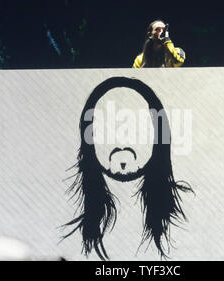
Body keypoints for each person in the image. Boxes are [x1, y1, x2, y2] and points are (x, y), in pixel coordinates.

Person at [62, 77, 193, 260]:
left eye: (134, 130)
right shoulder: (67, 208)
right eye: (107, 129)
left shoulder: (182, 221)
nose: (122, 146)